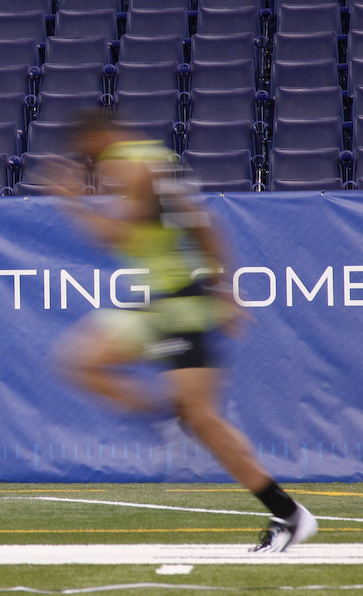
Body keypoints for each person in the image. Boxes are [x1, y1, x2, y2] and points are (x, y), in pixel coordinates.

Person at [48, 112, 318, 553]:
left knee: (203, 419)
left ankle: (289, 514)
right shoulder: (152, 158)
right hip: (160, 301)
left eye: (85, 152)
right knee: (83, 363)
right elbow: (203, 222)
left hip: (178, 303)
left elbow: (119, 238)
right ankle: (168, 417)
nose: (86, 162)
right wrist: (226, 286)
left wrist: (74, 203)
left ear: (98, 137)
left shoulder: (133, 165)